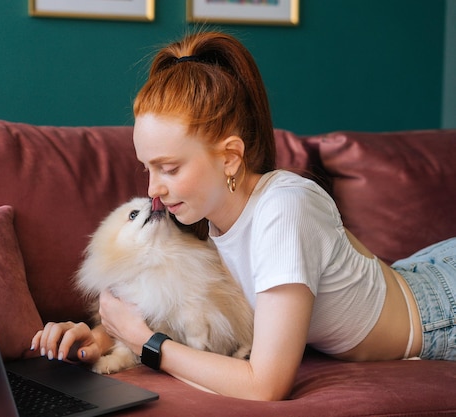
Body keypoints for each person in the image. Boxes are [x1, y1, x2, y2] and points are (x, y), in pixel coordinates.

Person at [31, 31, 456, 401]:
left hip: (442, 309)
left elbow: (265, 385)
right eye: (148, 167)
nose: (152, 190)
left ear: (231, 157)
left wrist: (146, 342)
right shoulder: (207, 216)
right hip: (417, 270)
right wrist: (99, 338)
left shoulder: (283, 209)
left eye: (170, 168)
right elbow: (186, 310)